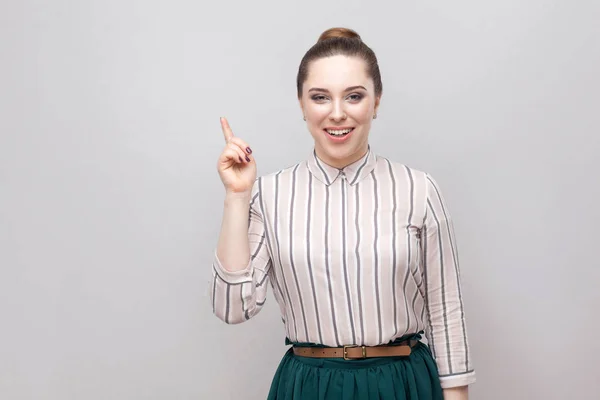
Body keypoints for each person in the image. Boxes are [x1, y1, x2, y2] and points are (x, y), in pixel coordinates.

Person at [210, 27, 475, 400]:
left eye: (354, 96)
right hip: (309, 386)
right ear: (302, 104)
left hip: (403, 383)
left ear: (376, 102)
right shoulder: (269, 194)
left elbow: (446, 310)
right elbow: (232, 308)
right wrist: (237, 197)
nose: (337, 114)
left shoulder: (419, 189)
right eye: (320, 97)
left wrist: (457, 395)